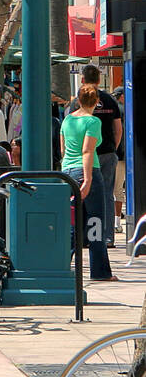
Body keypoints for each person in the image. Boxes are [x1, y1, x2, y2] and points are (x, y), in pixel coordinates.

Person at [61, 84, 116, 282]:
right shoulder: (92, 122)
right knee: (95, 222)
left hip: (67, 171)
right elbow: (87, 150)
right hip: (88, 171)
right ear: (97, 102)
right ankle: (100, 270)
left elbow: (63, 149)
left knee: (72, 222)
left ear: (78, 99)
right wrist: (88, 179)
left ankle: (61, 265)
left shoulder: (67, 119)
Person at [70, 66, 123, 249]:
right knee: (106, 195)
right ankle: (107, 237)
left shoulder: (77, 102)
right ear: (99, 80)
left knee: (82, 196)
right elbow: (118, 129)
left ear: (82, 79)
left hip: (81, 157)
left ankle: (83, 236)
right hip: (106, 153)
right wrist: (112, 149)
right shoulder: (109, 100)